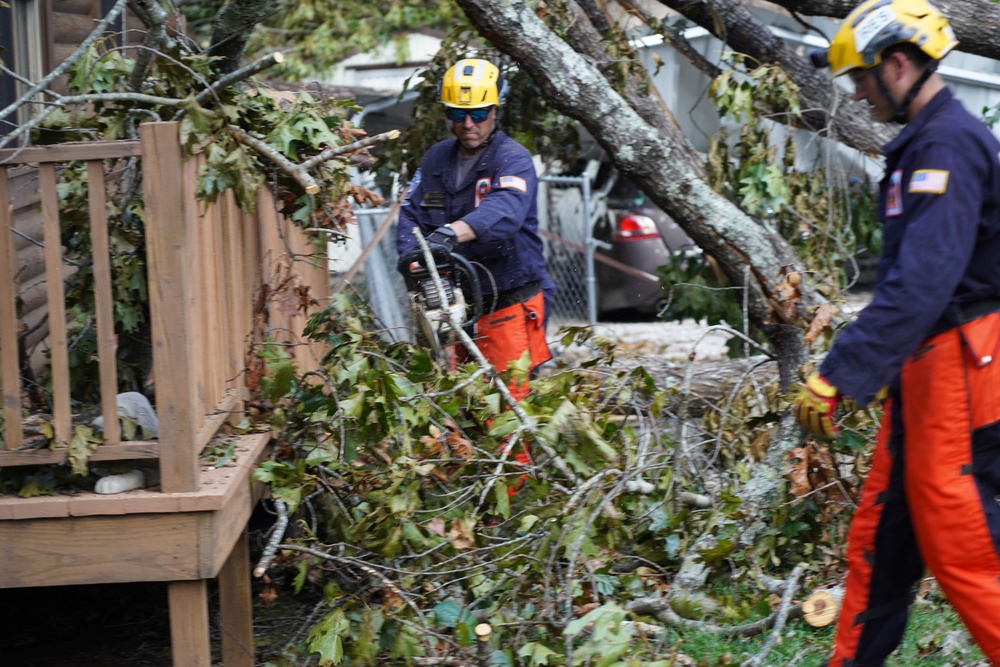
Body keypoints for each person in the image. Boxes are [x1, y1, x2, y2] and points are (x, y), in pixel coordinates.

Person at [793, 0, 1000, 664]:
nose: (857, 93)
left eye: (861, 78)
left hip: (963, 372)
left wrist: (842, 371)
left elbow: (924, 281)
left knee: (970, 550)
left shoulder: (947, 145)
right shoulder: (920, 143)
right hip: (924, 374)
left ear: (899, 64)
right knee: (881, 537)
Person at [396, 58, 553, 401]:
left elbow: (506, 210)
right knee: (458, 406)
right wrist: (413, 258)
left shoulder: (513, 159)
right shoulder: (435, 159)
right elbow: (410, 214)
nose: (468, 124)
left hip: (508, 300)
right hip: (454, 304)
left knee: (507, 409)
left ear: (496, 110)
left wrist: (451, 233)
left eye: (479, 114)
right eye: (457, 114)